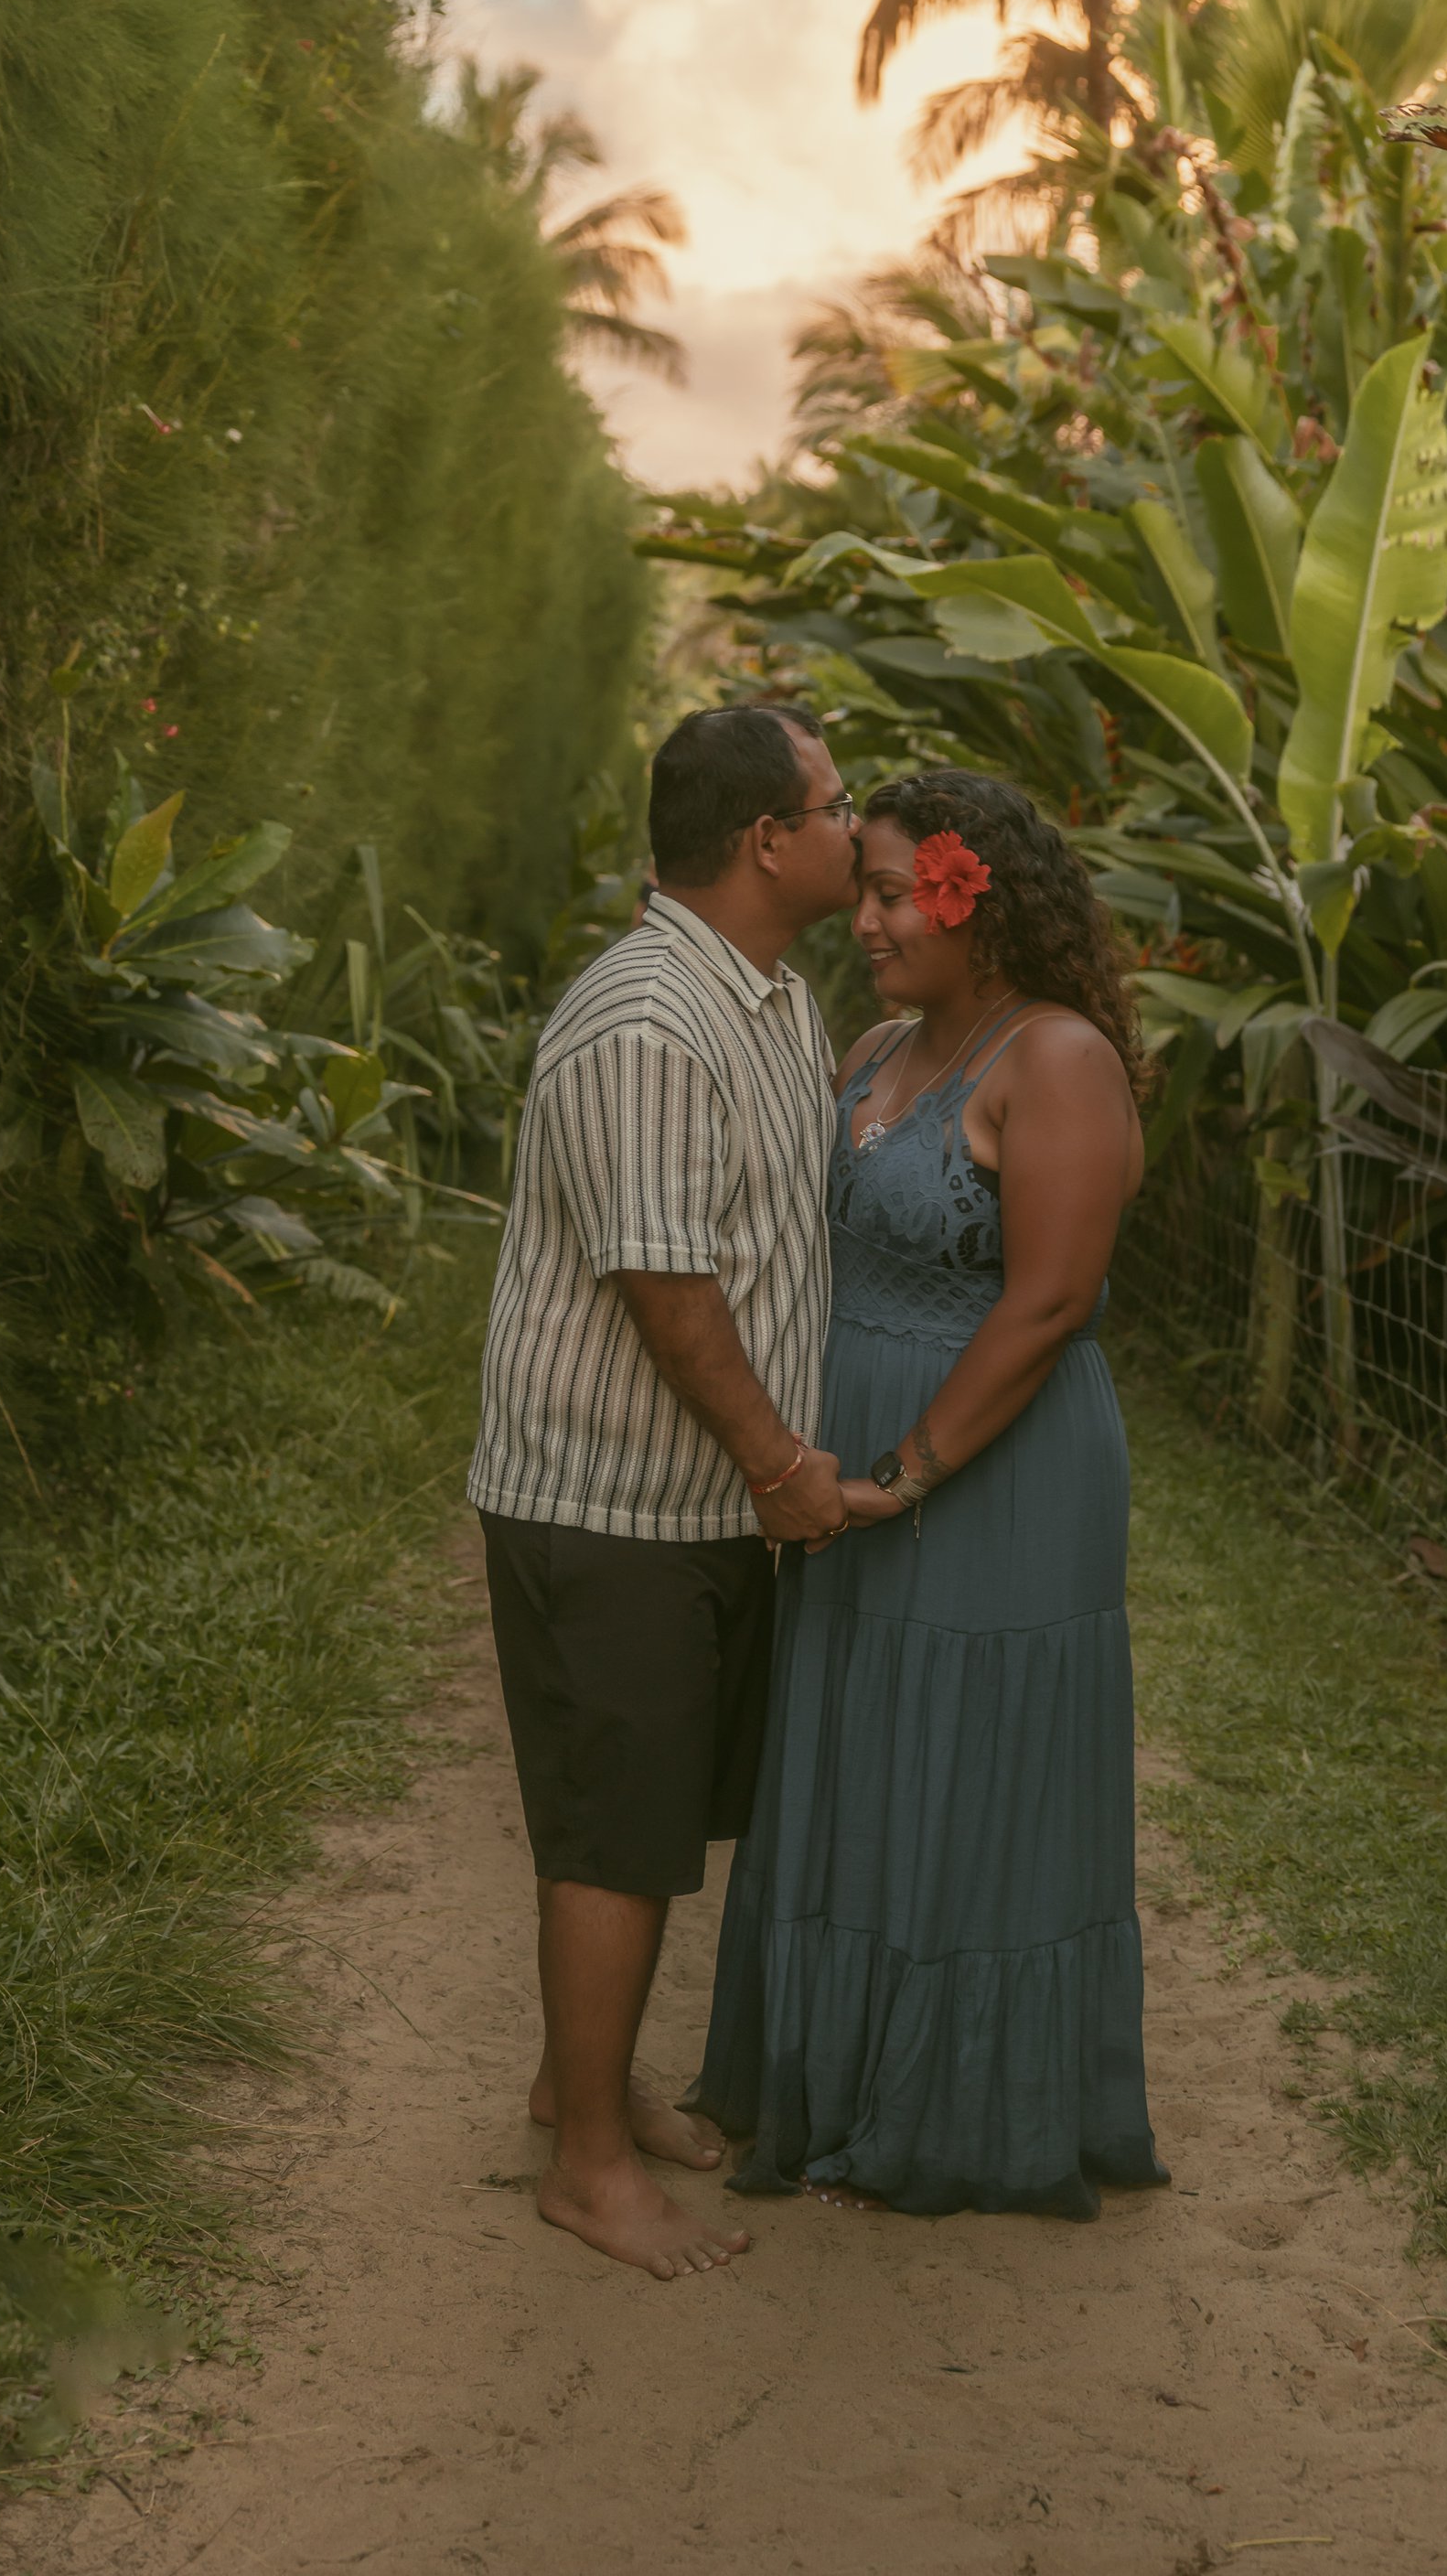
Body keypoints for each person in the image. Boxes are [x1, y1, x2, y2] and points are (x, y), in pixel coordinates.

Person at [694, 767, 1168, 2217]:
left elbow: (1051, 1301)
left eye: (896, 894)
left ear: (980, 900)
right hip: (850, 1471)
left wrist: (905, 1474)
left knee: (970, 1759)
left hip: (991, 1474)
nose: (867, 921)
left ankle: (962, 2107)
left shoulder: (1058, 1058)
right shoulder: (876, 1049)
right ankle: (833, 2079)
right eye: (867, 891)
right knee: (857, 1748)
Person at [467, 703, 860, 2280]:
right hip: (610, 1503)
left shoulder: (772, 997)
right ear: (767, 839)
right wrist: (780, 1463)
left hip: (690, 1506)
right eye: (836, 805)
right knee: (615, 1836)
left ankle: (579, 2082)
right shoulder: (644, 1020)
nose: (856, 830)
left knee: (649, 1813)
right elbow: (668, 1289)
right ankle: (586, 2168)